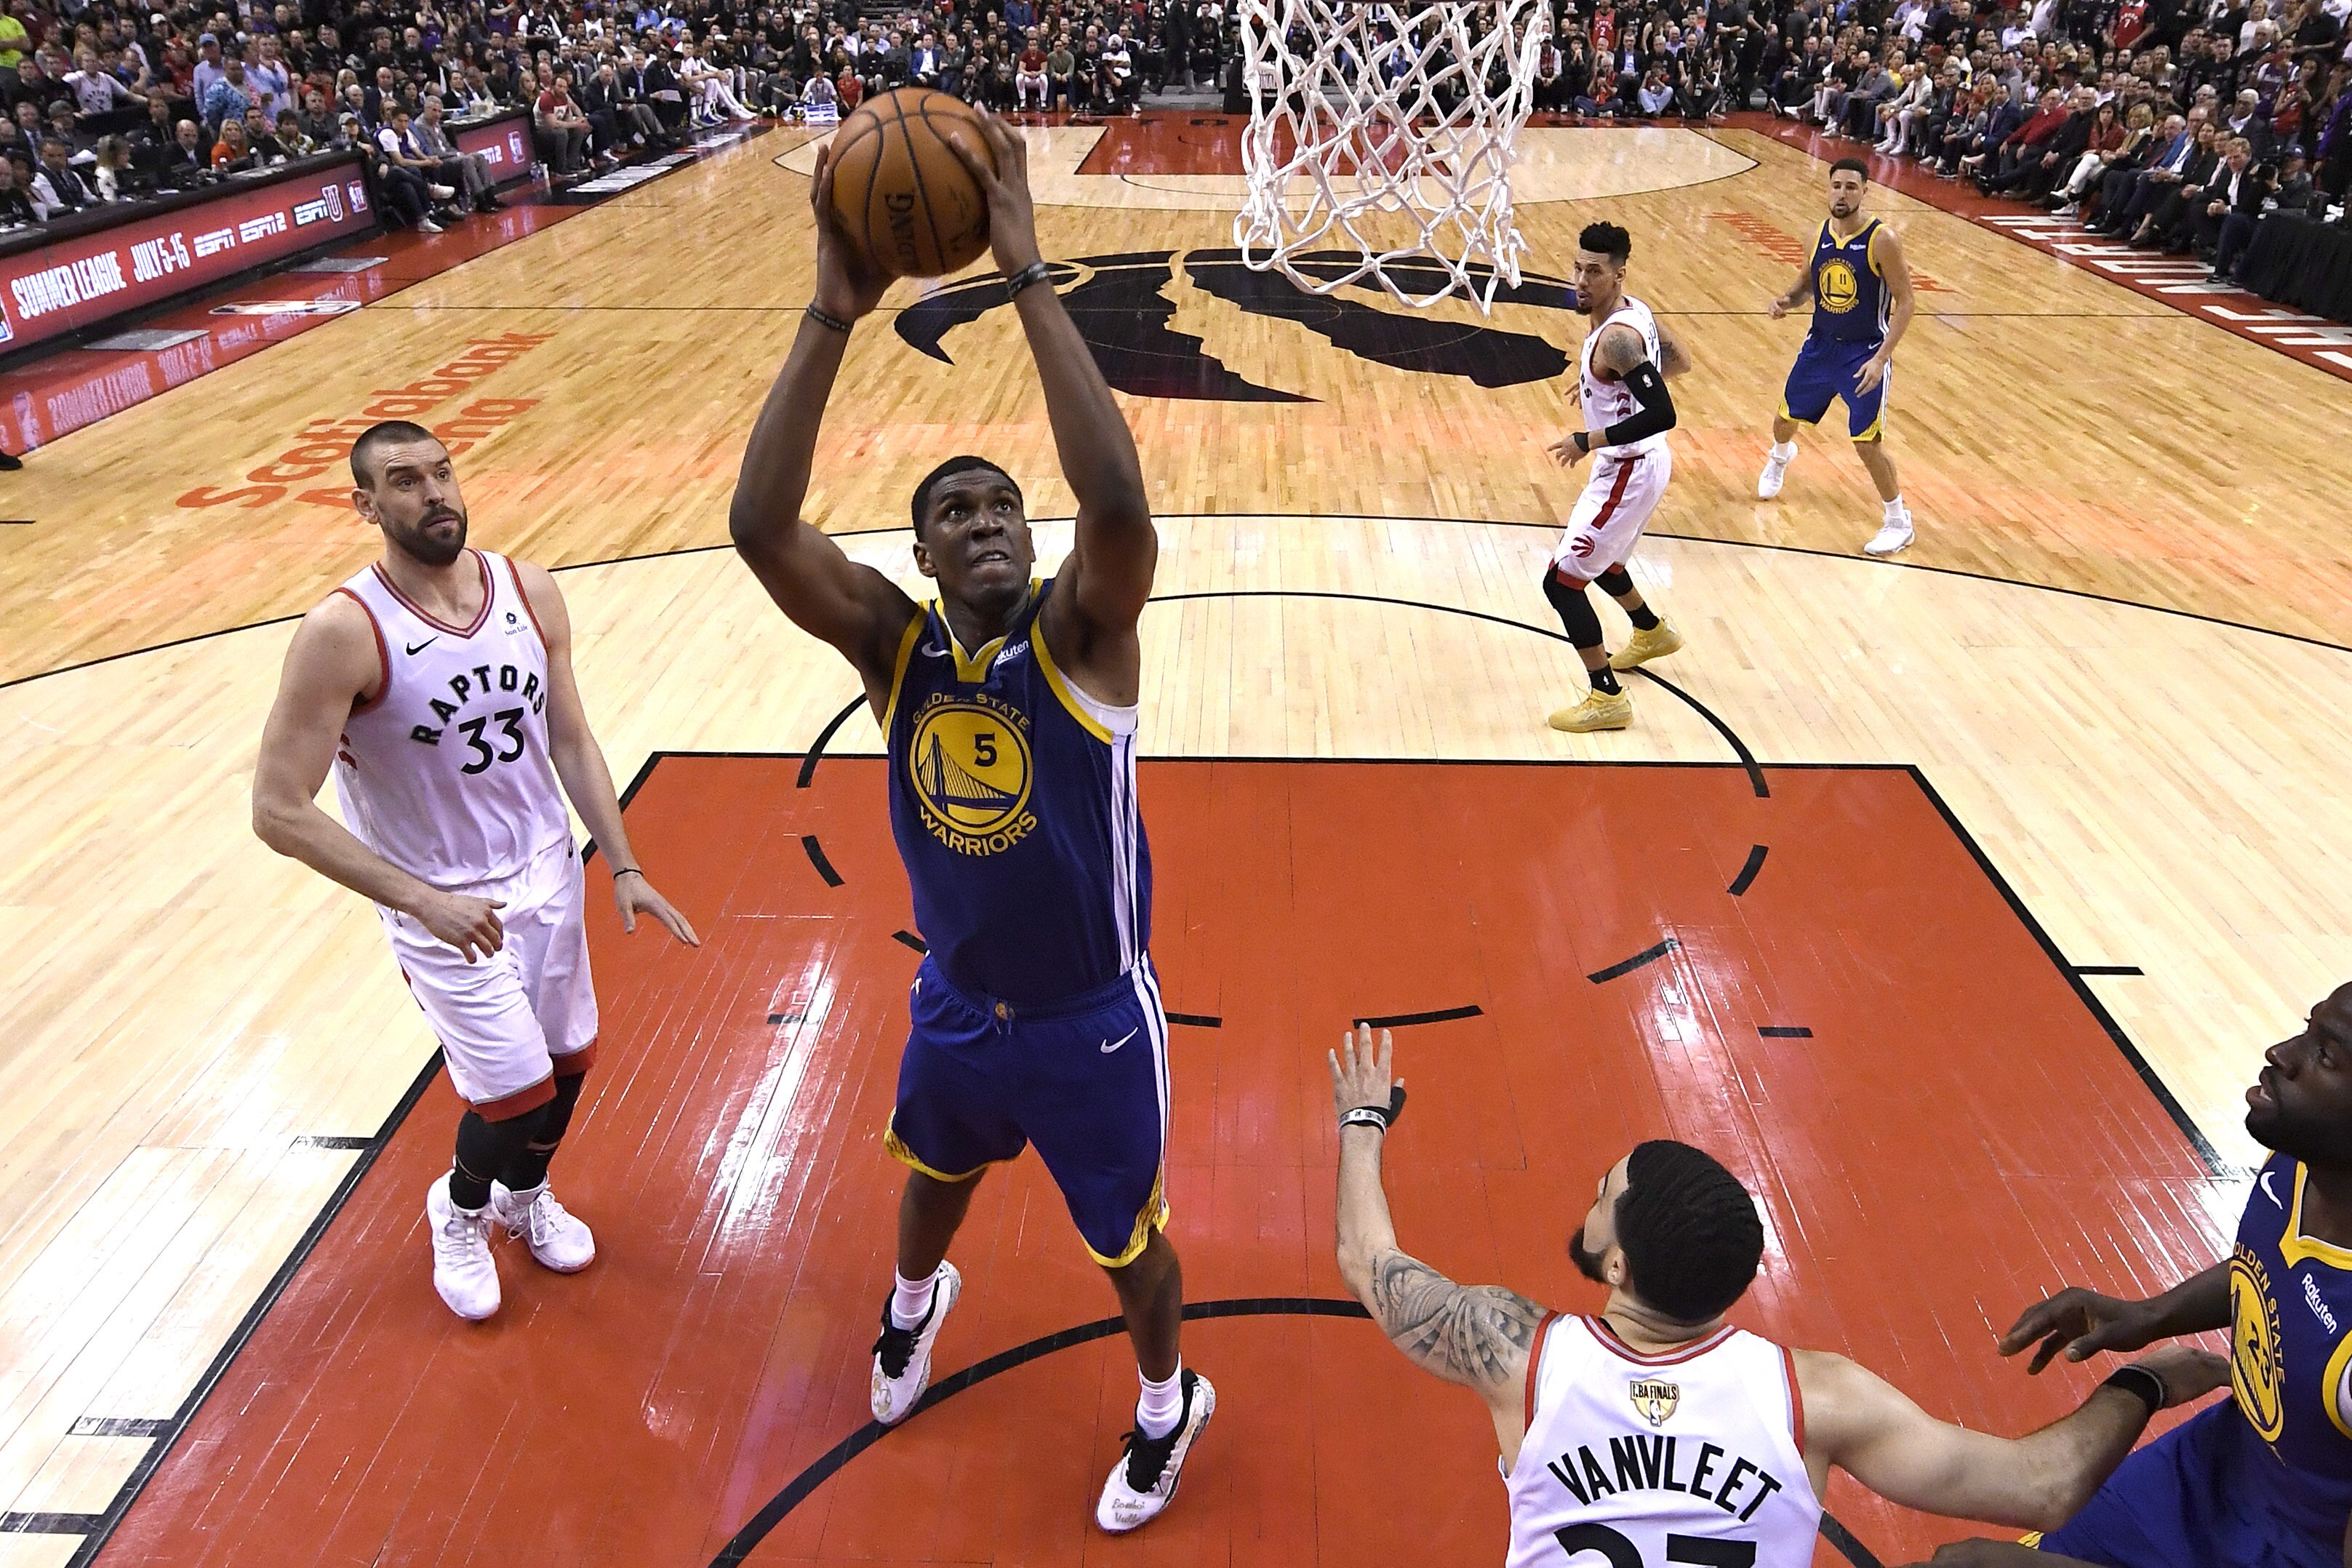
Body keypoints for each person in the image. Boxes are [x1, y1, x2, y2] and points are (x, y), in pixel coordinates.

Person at [727, 109, 1212, 1535]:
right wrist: (830, 310)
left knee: (1128, 1243)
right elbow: (762, 529)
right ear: (923, 553)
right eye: (955, 508)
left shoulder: (1083, 633)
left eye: (1003, 502)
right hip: (956, 1002)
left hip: (1092, 1019)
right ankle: (911, 1302)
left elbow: (1114, 496)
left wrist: (1029, 271)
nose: (987, 517)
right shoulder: (897, 648)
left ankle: (1165, 1398)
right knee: (930, 1181)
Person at [1325, 1025, 2234, 1568]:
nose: (1591, 1199)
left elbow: (1370, 1262)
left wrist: (1362, 1124)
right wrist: (2145, 1380)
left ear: (1616, 1269)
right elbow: (2043, 1487)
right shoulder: (1817, 1394)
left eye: (1603, 1195)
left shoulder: (1517, 1350)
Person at [252, 423, 699, 1323]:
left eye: (442, 472)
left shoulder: (529, 590)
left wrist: (623, 861)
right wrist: (425, 902)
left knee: (569, 1065)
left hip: (547, 871)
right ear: (367, 506)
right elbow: (277, 809)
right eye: (404, 481)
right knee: (510, 1090)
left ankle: (524, 1196)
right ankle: (457, 1211)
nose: (435, 493)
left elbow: (567, 735)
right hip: (442, 896)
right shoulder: (344, 630)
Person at [1911, 985, 2352, 1567]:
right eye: (2306, 1027)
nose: (2280, 1052)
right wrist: (2150, 1315)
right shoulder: (2303, 1159)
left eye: (2326, 1054)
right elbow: (2276, 1272)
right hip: (2217, 1463)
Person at [1537, 220, 1692, 735]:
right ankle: (1650, 631)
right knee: (1603, 559)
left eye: (1594, 272)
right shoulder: (1636, 311)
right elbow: (1678, 360)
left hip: (1628, 467)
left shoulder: (1618, 339)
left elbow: (1663, 411)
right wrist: (1600, 390)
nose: (1581, 280)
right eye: (1577, 268)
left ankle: (1607, 697)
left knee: (1561, 583)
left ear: (1618, 275)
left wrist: (1588, 438)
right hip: (1641, 463)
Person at [1758, 159, 1919, 558]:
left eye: (1851, 187)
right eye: (1836, 186)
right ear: (1827, 190)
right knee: (1783, 419)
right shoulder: (1817, 235)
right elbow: (1805, 287)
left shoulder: (1883, 240)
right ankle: (1781, 456)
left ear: (1865, 191)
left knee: (1867, 443)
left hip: (1863, 353)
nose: (1842, 193)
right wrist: (1786, 301)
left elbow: (1907, 302)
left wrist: (1882, 358)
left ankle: (1899, 522)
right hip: (1820, 346)